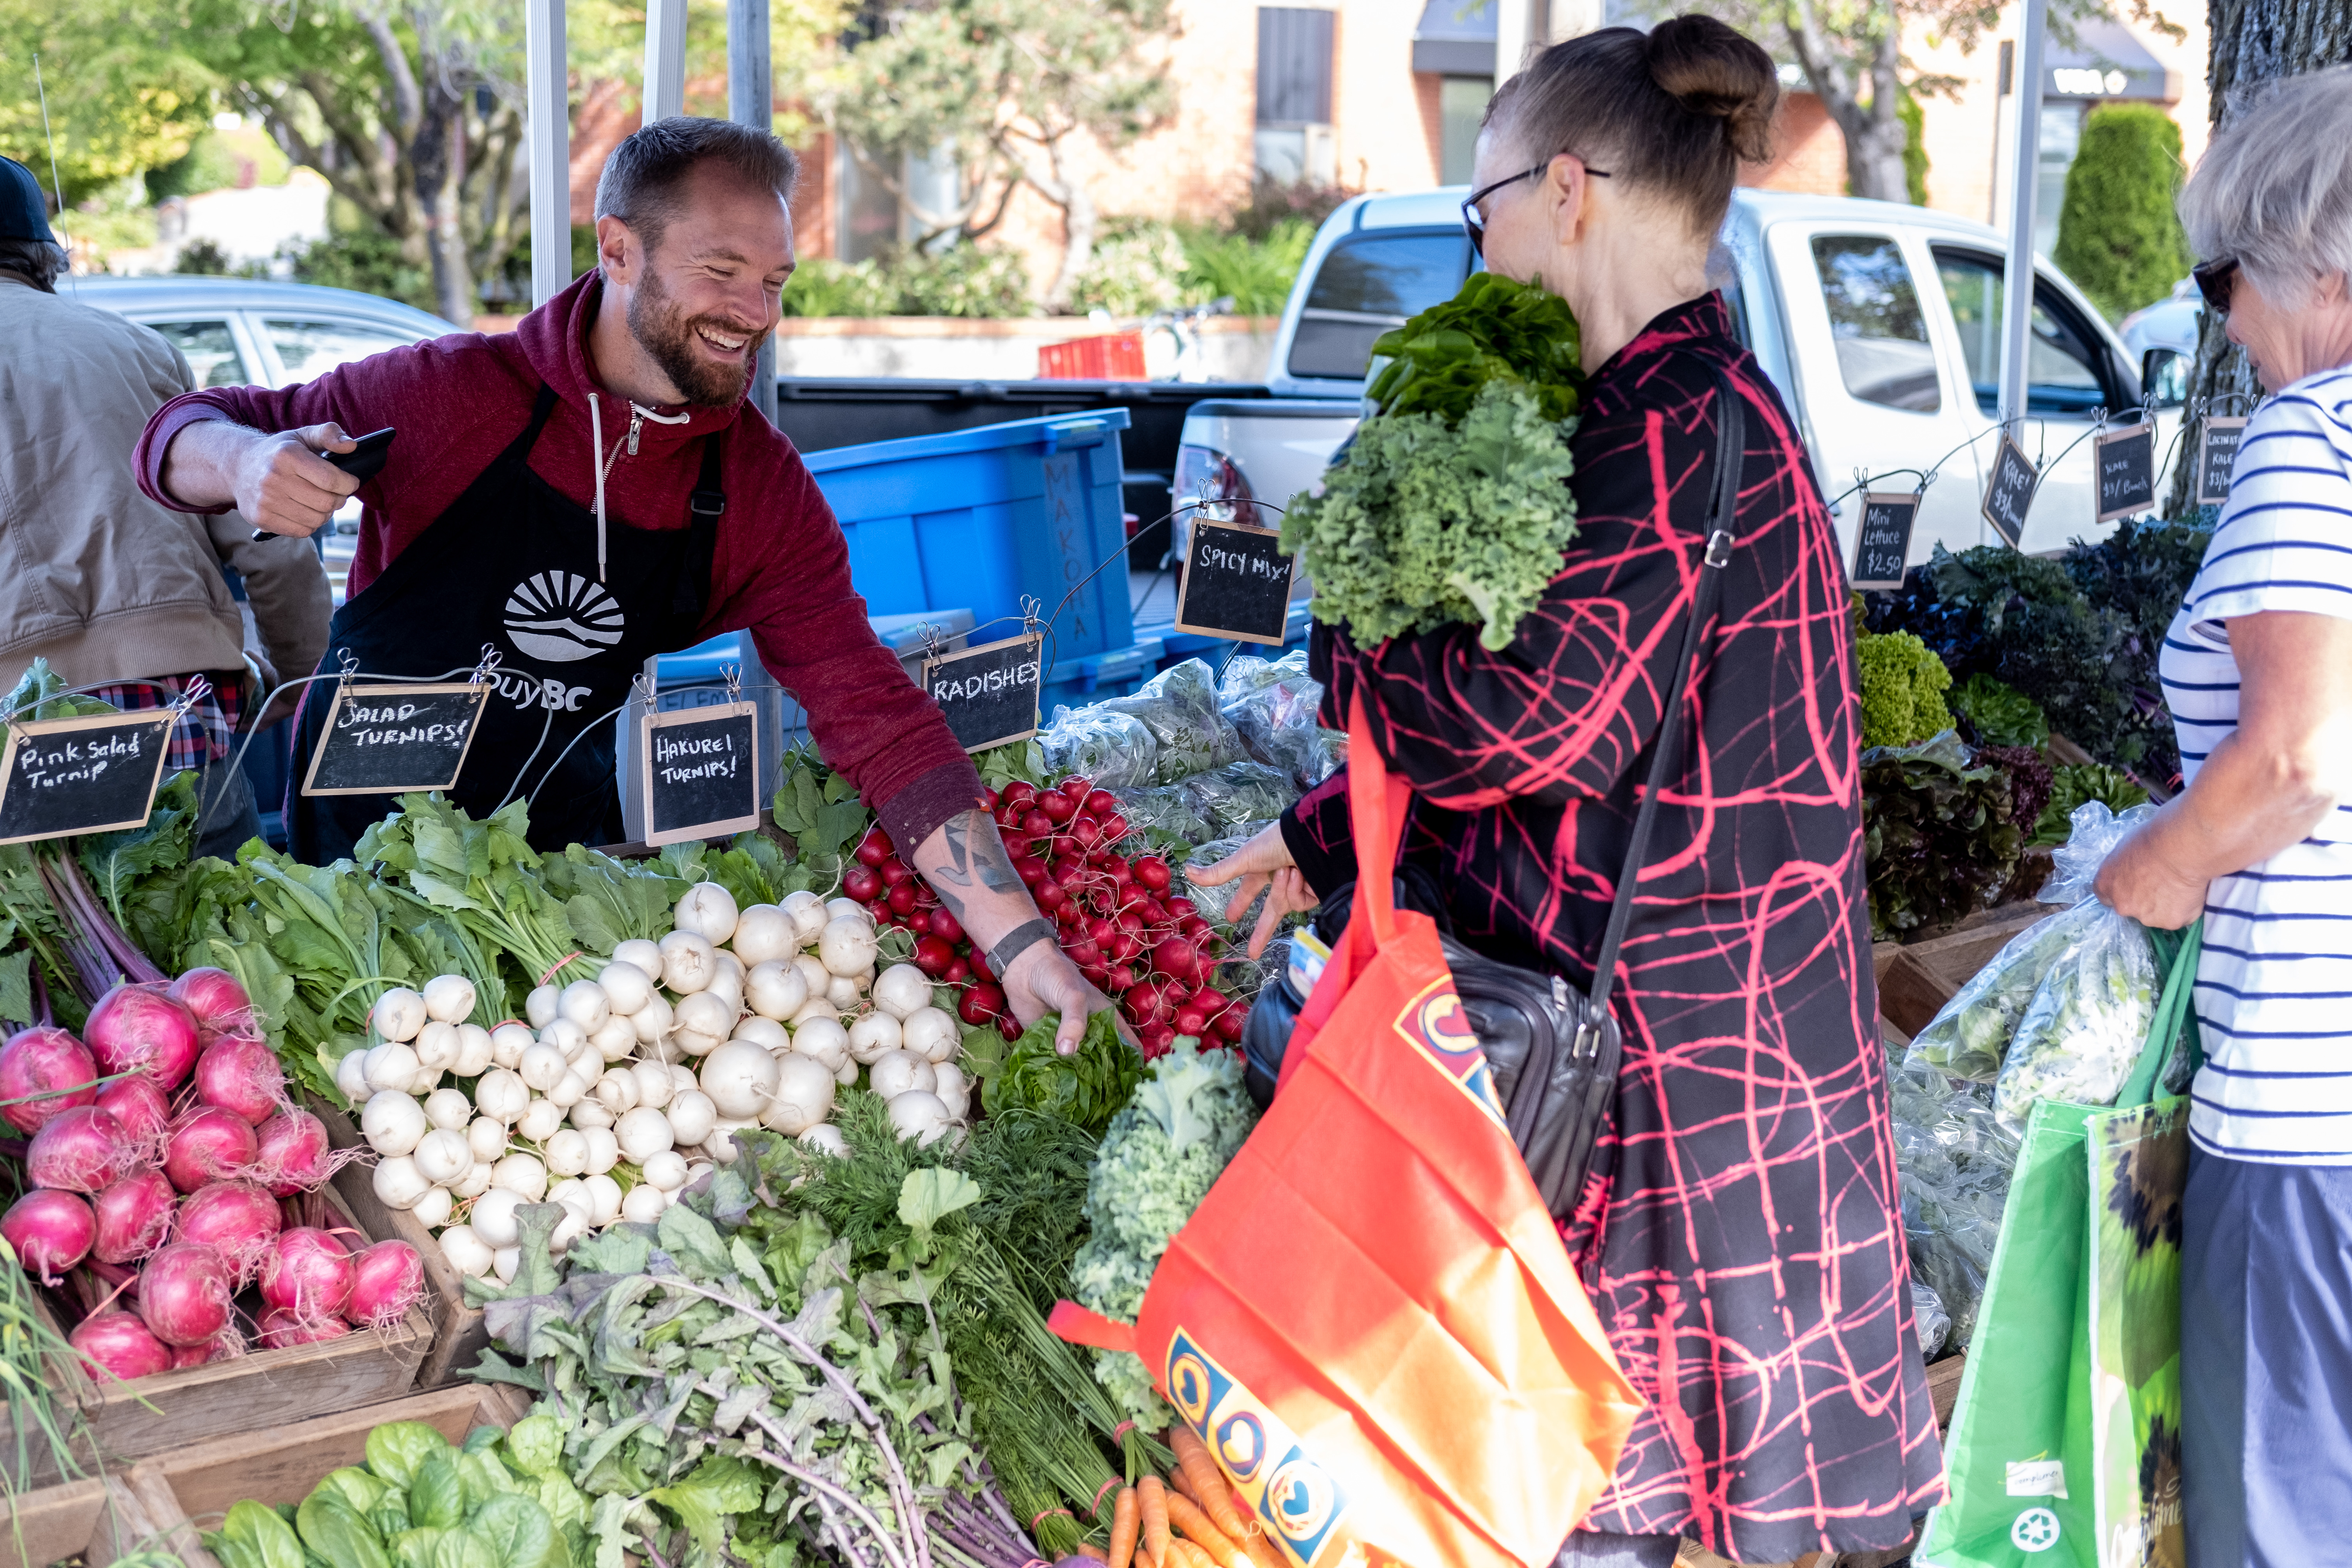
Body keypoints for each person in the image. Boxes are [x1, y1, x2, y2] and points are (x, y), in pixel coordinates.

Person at [1192, 18, 1941, 1564]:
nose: (1478, 246)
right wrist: (1317, 830)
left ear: (1564, 191)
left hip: (1669, 1070)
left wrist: (1349, 602)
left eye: (1482, 208)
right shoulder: (1695, 411)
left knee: (1587, 1513)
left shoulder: (1658, 436)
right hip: (1719, 1041)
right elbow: (1603, 741)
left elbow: (1520, 735)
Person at [135, 117, 1110, 1053]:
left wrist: (1021, 946)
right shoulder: (451, 395)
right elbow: (180, 431)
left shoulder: (759, 489)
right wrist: (245, 458)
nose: (756, 312)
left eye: (775, 280)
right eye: (720, 271)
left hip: (555, 868)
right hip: (355, 854)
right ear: (617, 250)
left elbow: (876, 715)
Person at [2093, 65, 2352, 1568]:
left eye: (2220, 282)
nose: (2224, 324)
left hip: (2308, 1109)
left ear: (2313, 266)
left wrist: (2152, 869)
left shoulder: (2312, 439)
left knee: (2283, 1527)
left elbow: (2292, 761)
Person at [0, 154, 330, 861]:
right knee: (216, 954)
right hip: (174, 709)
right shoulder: (136, 347)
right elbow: (266, 523)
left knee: (44, 963)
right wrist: (300, 674)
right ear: (42, 254)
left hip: (12, 729)